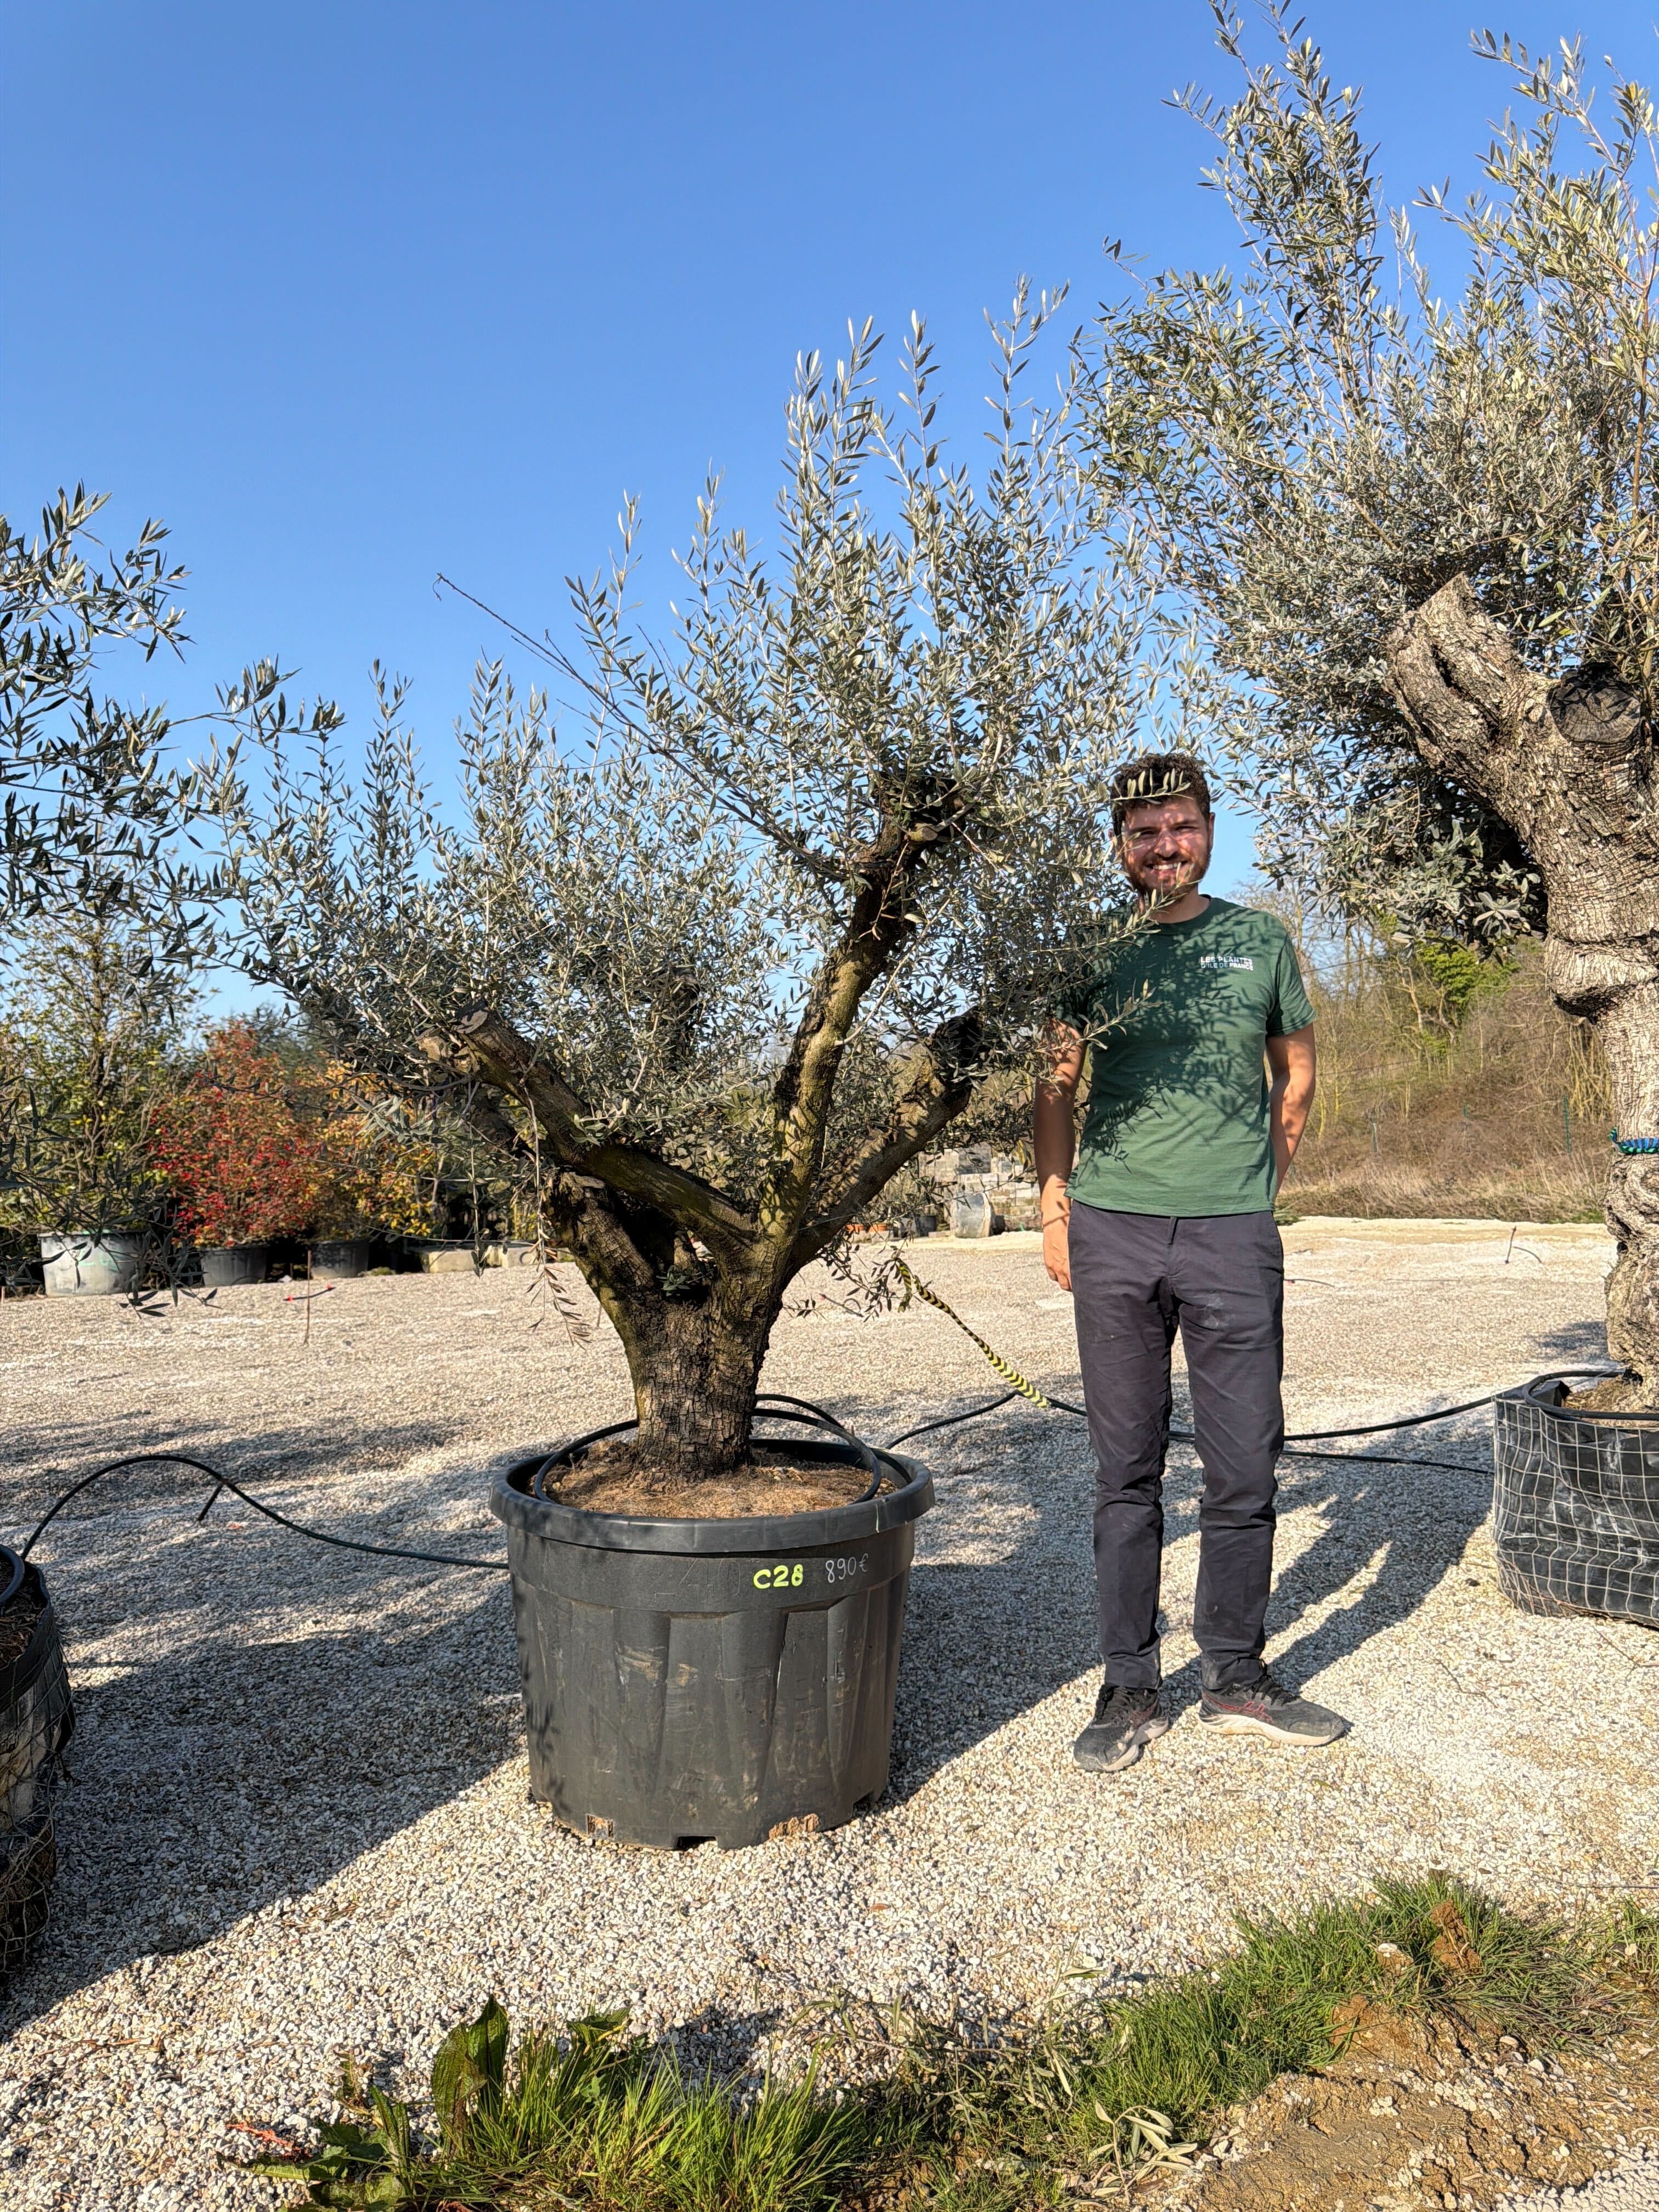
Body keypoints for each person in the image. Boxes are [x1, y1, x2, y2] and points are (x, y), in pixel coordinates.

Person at [1033, 750, 1346, 1773]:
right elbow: (1055, 1085)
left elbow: (1295, 1070)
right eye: (1143, 832)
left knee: (1244, 1464)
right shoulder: (1091, 955)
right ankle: (1128, 1685)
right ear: (1118, 846)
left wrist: (1259, 1184)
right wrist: (1053, 1206)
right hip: (1113, 1228)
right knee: (1124, 1471)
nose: (1164, 846)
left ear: (1209, 830)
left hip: (1232, 1234)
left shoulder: (1258, 941)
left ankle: (1236, 1676)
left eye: (1181, 827)